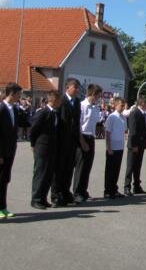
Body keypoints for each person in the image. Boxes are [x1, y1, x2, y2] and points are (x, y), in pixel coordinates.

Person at [0, 82, 21, 218]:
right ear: (11, 94)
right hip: (0, 151)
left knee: (5, 178)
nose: (19, 97)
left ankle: (3, 206)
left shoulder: (14, 109)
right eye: (18, 94)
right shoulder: (0, 108)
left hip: (10, 149)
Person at [51, 78, 81, 207]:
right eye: (75, 87)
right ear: (67, 87)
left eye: (78, 87)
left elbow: (77, 121)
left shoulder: (77, 102)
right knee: (59, 169)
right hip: (62, 140)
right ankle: (56, 194)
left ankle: (65, 192)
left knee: (69, 168)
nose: (77, 90)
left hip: (72, 140)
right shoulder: (62, 101)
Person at [30, 91, 61, 210]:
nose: (60, 102)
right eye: (59, 99)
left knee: (48, 174)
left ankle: (43, 198)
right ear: (54, 100)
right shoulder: (43, 112)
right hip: (42, 147)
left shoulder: (55, 113)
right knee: (40, 173)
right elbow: (34, 129)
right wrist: (33, 144)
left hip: (52, 147)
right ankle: (36, 199)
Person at [73, 83, 102, 203]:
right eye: (98, 95)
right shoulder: (82, 106)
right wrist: (82, 141)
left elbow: (97, 121)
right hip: (83, 137)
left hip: (91, 137)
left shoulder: (96, 107)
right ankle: (77, 192)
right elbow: (78, 125)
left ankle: (83, 191)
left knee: (87, 167)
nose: (99, 98)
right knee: (80, 166)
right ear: (93, 94)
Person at [103, 97, 127, 199]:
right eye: (121, 105)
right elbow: (107, 133)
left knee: (116, 170)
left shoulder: (123, 117)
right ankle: (108, 191)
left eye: (124, 105)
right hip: (112, 147)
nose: (123, 107)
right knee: (110, 170)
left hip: (120, 147)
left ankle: (114, 189)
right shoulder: (112, 117)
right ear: (116, 105)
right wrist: (108, 147)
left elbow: (124, 131)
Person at [124, 97, 146, 195]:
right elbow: (133, 130)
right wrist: (134, 145)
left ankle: (137, 186)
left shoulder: (142, 113)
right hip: (134, 144)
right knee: (130, 166)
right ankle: (127, 186)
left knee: (138, 166)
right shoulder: (135, 112)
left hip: (140, 144)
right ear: (142, 103)